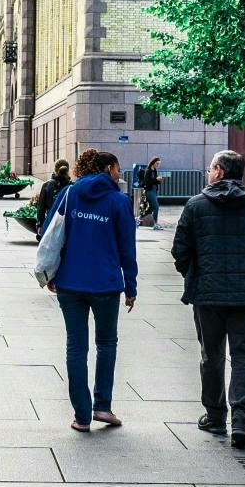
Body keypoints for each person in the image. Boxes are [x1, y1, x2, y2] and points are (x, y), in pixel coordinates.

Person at [172, 149, 245, 449]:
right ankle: (240, 420)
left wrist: (194, 275)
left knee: (212, 355)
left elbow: (180, 252)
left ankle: (214, 415)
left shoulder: (195, 205)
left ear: (220, 171)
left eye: (211, 168)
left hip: (207, 296)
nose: (208, 173)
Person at [46, 149, 137, 433]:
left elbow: (50, 231)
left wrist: (52, 272)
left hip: (69, 282)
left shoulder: (70, 194)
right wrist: (131, 286)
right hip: (106, 284)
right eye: (118, 169)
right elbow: (128, 249)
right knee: (106, 343)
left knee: (76, 346)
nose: (119, 174)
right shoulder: (119, 201)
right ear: (109, 169)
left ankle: (81, 416)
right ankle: (102, 407)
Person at [35, 160, 73, 234]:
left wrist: (39, 224)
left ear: (55, 170)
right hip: (68, 224)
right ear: (68, 170)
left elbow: (41, 207)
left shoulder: (47, 185)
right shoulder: (72, 186)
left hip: (51, 222)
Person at [138, 157, 163, 230]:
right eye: (157, 163)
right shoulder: (148, 171)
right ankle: (155, 223)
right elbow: (147, 182)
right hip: (149, 191)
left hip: (154, 190)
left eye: (159, 164)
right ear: (153, 163)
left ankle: (138, 219)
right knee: (156, 206)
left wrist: (158, 180)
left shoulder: (154, 170)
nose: (158, 165)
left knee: (150, 208)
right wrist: (156, 179)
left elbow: (154, 182)